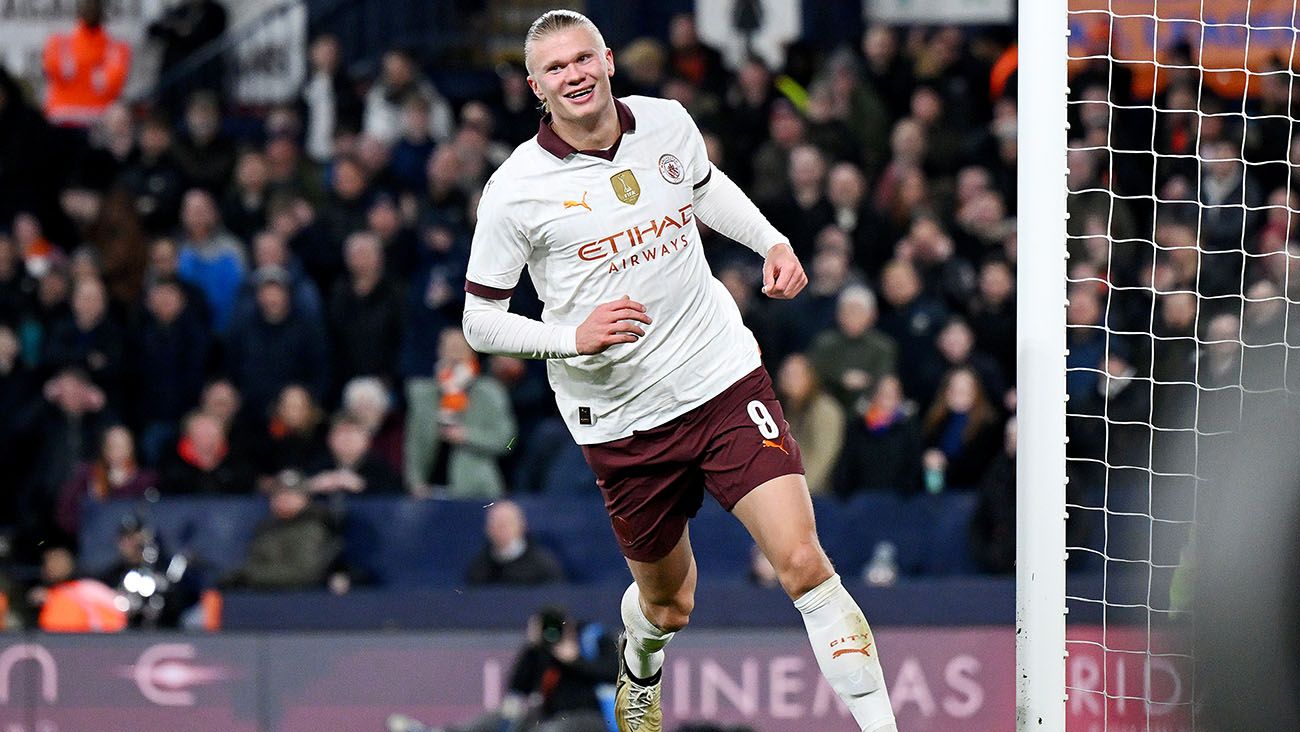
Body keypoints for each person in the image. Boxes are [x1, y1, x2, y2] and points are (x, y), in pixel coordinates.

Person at [460, 11, 895, 732]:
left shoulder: (666, 122)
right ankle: (641, 662)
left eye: (582, 59)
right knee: (669, 605)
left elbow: (704, 186)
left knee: (803, 563)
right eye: (555, 68)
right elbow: (480, 321)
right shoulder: (516, 188)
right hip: (622, 417)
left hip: (719, 376)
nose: (573, 76)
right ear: (537, 87)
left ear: (607, 60)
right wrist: (570, 338)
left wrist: (771, 241)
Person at [388, 606, 617, 732]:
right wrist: (532, 647)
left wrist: (574, 659)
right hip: (547, 714)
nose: (554, 632)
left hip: (588, 717)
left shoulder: (592, 639)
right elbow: (519, 687)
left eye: (558, 625)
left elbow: (612, 673)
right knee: (501, 717)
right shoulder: (542, 650)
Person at [42, 0, 132, 128]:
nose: (91, 9)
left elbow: (113, 82)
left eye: (95, 5)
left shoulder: (116, 47)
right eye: (87, 5)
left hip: (100, 120)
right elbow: (53, 70)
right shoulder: (60, 43)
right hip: (62, 118)